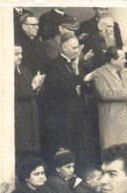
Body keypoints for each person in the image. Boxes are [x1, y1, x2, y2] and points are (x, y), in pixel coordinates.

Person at [41, 33, 95, 167]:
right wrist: (76, 75)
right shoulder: (52, 65)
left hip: (80, 113)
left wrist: (86, 81)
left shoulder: (79, 63)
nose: (77, 51)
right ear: (64, 47)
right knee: (69, 150)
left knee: (83, 149)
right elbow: (59, 88)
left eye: (78, 48)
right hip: (64, 116)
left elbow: (85, 87)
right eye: (74, 48)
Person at [91, 46, 127, 150]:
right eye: (122, 58)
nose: (125, 60)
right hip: (114, 121)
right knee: (115, 153)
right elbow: (103, 93)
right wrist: (126, 91)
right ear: (113, 60)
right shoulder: (99, 73)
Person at [14, 45, 42, 163]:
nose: (21, 56)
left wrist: (38, 85)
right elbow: (17, 92)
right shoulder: (5, 72)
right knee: (20, 155)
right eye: (16, 54)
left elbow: (33, 89)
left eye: (21, 53)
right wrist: (33, 86)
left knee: (29, 156)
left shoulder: (25, 70)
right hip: (20, 121)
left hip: (31, 121)